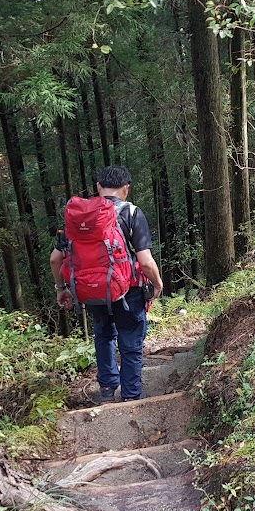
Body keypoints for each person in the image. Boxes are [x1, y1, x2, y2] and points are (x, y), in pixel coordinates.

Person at [50, 166, 164, 402]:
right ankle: (131, 395)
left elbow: (55, 258)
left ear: (98, 187)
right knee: (130, 340)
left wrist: (61, 289)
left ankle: (107, 388)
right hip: (127, 291)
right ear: (126, 188)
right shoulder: (131, 212)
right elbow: (144, 260)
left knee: (103, 335)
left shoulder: (79, 216)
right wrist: (157, 283)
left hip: (90, 289)